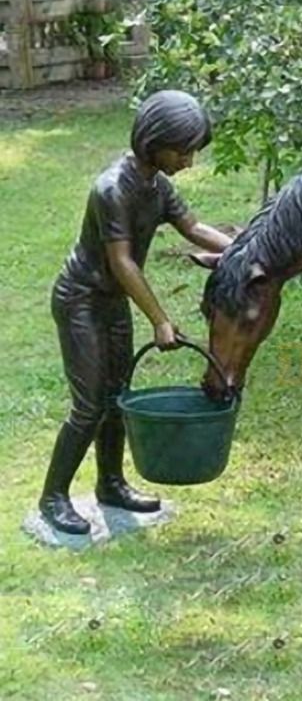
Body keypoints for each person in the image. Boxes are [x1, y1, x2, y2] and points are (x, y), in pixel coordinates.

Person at [39, 90, 234, 535]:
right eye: (182, 151)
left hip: (111, 302)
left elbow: (194, 227)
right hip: (80, 302)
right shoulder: (111, 189)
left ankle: (110, 483)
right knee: (88, 407)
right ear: (154, 140)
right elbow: (122, 262)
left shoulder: (157, 186)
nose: (188, 161)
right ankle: (53, 496)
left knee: (117, 398)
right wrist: (160, 320)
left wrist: (249, 249)